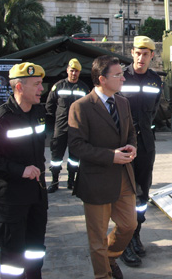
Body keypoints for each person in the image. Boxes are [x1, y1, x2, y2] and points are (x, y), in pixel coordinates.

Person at [68, 55, 137, 279]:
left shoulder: (123, 102)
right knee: (97, 238)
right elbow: (77, 146)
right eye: (117, 75)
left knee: (129, 225)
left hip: (123, 177)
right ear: (102, 79)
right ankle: (103, 275)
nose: (123, 79)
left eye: (122, 74)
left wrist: (132, 148)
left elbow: (131, 133)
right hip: (96, 181)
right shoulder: (81, 107)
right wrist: (110, 156)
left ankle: (110, 257)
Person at [0, 62, 48, 279]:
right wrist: (20, 170)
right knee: (13, 259)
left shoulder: (38, 113)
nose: (41, 89)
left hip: (36, 196)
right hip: (11, 200)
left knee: (35, 252)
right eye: (36, 84)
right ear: (19, 87)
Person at [119, 36, 162, 267]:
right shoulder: (121, 77)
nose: (141, 58)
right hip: (123, 144)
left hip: (146, 144)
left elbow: (153, 111)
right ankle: (124, 242)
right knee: (125, 193)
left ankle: (136, 234)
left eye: (146, 54)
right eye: (137, 53)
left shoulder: (156, 80)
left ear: (152, 56)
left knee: (142, 193)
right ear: (132, 52)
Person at [45, 58, 89, 193]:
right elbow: (49, 106)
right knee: (56, 157)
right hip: (61, 127)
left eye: (76, 71)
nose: (74, 73)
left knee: (74, 158)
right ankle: (55, 181)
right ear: (67, 70)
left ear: (79, 72)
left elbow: (88, 108)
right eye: (72, 70)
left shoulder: (84, 88)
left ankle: (71, 181)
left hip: (77, 129)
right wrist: (54, 123)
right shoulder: (58, 86)